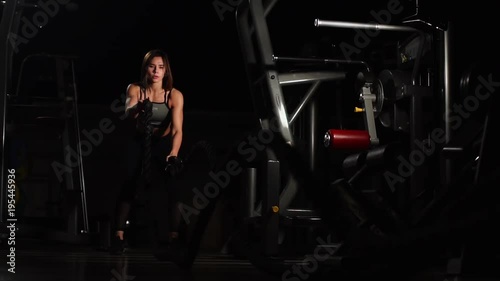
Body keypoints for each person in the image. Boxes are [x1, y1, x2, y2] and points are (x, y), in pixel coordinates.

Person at [110, 49, 184, 255]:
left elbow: (177, 129)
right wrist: (138, 110)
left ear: (166, 70)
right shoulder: (135, 89)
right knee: (129, 182)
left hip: (162, 144)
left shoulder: (174, 95)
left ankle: (174, 237)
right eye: (152, 66)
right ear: (146, 68)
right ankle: (118, 235)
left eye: (161, 67)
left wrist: (173, 153)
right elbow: (128, 112)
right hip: (139, 141)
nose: (156, 71)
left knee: (173, 187)